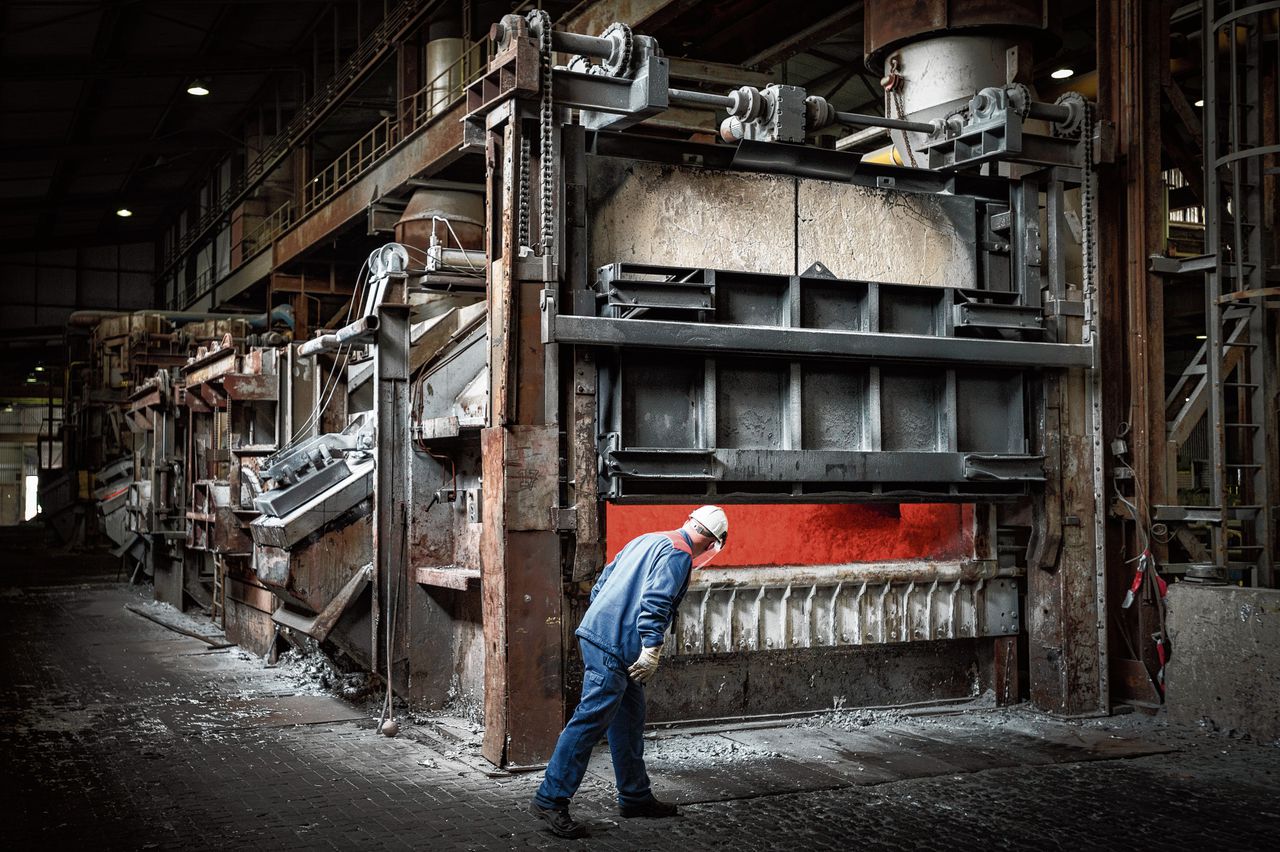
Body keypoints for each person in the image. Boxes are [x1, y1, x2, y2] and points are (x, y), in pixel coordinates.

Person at [530, 505, 730, 839]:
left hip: (606, 638)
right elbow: (656, 602)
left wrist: (608, 623)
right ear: (713, 542)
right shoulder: (679, 555)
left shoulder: (648, 539)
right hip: (615, 646)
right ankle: (550, 799)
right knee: (589, 722)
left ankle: (635, 796)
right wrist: (651, 647)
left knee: (628, 719)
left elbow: (602, 584)